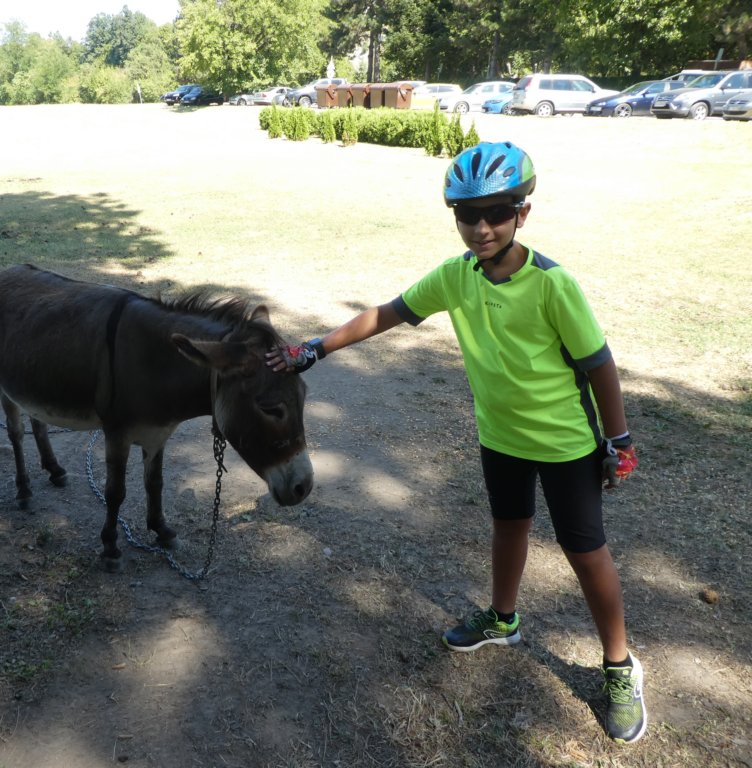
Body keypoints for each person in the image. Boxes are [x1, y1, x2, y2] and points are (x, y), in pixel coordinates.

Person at [266, 141, 644, 744]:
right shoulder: (455, 276)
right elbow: (387, 313)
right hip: (501, 437)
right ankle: (502, 619)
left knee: (585, 551)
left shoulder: (552, 284)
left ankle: (619, 667)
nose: (481, 228)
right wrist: (316, 347)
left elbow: (599, 364)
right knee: (509, 527)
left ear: (522, 213)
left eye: (496, 213)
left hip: (566, 444)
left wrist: (618, 440)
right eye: (468, 214)